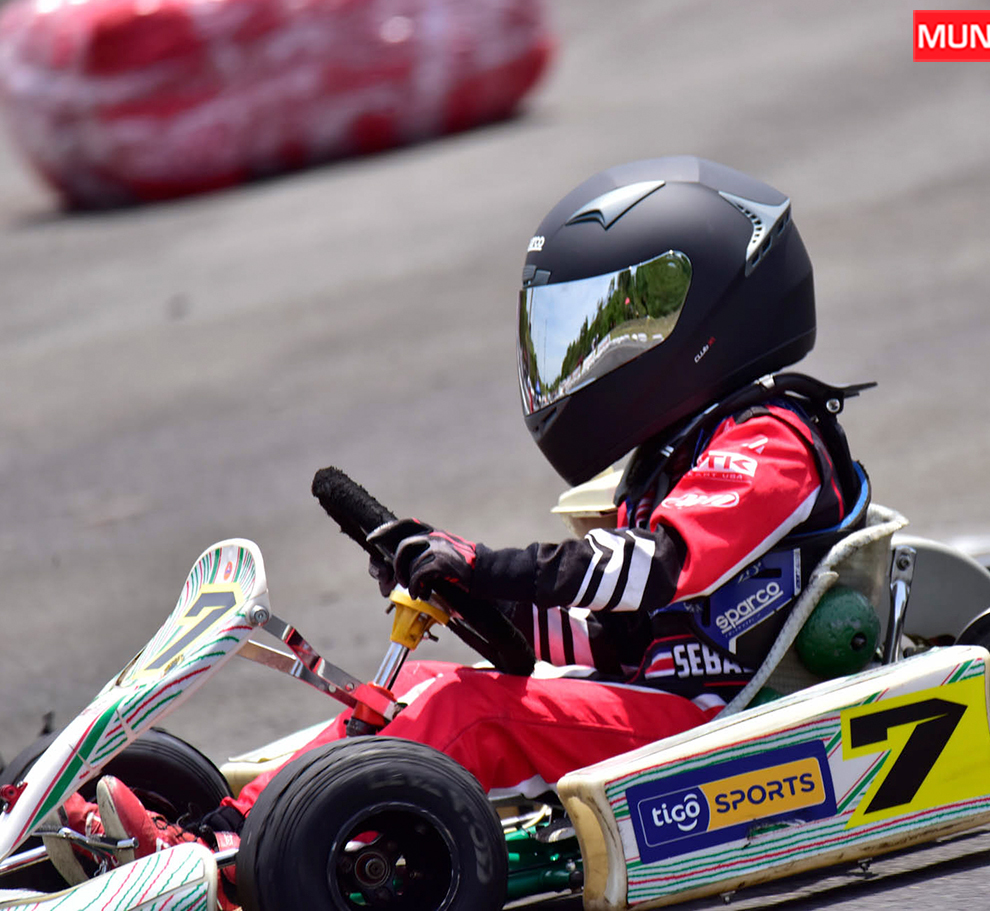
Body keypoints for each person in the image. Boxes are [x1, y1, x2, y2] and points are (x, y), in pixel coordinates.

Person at [56, 156, 872, 900]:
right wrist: (479, 597)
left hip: (714, 721)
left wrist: (486, 565)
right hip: (654, 695)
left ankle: (230, 858)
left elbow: (656, 571)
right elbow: (620, 633)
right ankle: (218, 826)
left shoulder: (770, 440)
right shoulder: (680, 451)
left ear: (710, 316)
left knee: (463, 708)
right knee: (413, 684)